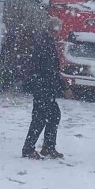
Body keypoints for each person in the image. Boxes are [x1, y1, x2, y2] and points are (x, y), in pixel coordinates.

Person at [22, 17, 72, 159]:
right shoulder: (45, 43)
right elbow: (50, 69)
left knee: (53, 115)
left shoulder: (45, 41)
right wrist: (65, 87)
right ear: (54, 30)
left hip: (44, 86)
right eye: (58, 30)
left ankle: (48, 147)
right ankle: (29, 149)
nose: (59, 33)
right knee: (40, 118)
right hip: (42, 86)